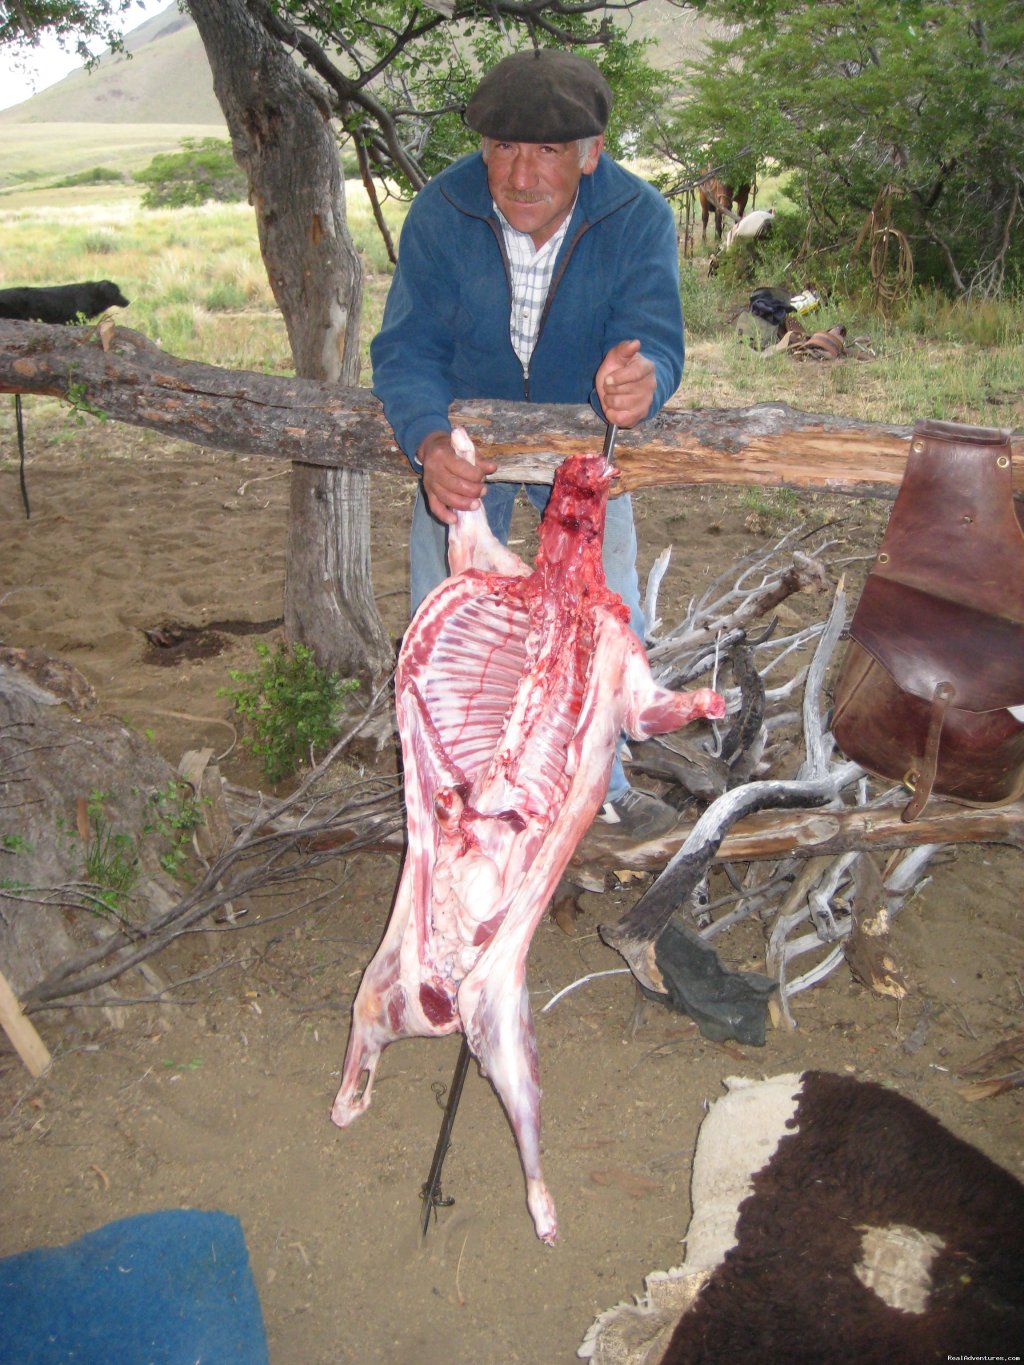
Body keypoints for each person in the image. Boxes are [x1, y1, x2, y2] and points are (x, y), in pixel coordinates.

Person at [371, 48, 685, 840]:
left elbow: (655, 343)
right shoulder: (442, 211)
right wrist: (429, 442)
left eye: (547, 151)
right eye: (505, 148)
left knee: (609, 614)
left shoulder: (638, 217)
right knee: (439, 620)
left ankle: (601, 786)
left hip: (581, 445)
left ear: (592, 155)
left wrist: (642, 379)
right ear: (482, 149)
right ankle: (447, 796)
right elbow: (406, 350)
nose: (520, 174)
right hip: (466, 445)